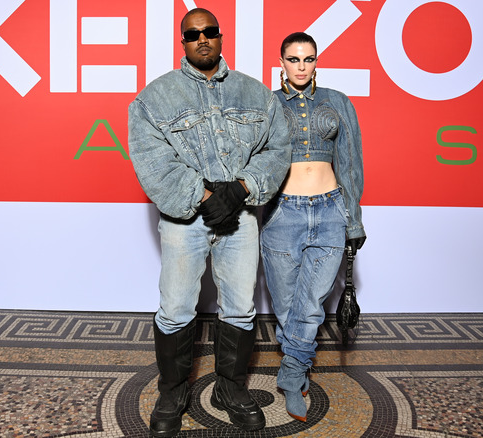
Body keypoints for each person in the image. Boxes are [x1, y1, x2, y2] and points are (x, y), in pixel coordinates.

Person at [128, 8, 291, 437]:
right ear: (182, 43)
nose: (202, 39)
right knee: (177, 304)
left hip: (240, 217)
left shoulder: (257, 94)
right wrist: (203, 196)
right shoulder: (154, 98)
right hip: (184, 222)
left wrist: (241, 189)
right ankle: (172, 390)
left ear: (221, 37)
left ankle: (230, 388)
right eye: (192, 34)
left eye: (209, 32)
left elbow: (277, 150)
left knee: (239, 305)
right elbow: (152, 161)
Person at [260, 32, 366, 422]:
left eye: (308, 59)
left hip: (329, 212)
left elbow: (350, 163)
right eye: (293, 59)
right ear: (282, 62)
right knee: (287, 306)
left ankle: (290, 377)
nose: (301, 67)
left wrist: (353, 218)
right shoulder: (268, 103)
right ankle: (299, 362)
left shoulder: (337, 101)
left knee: (310, 304)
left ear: (316, 61)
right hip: (281, 214)